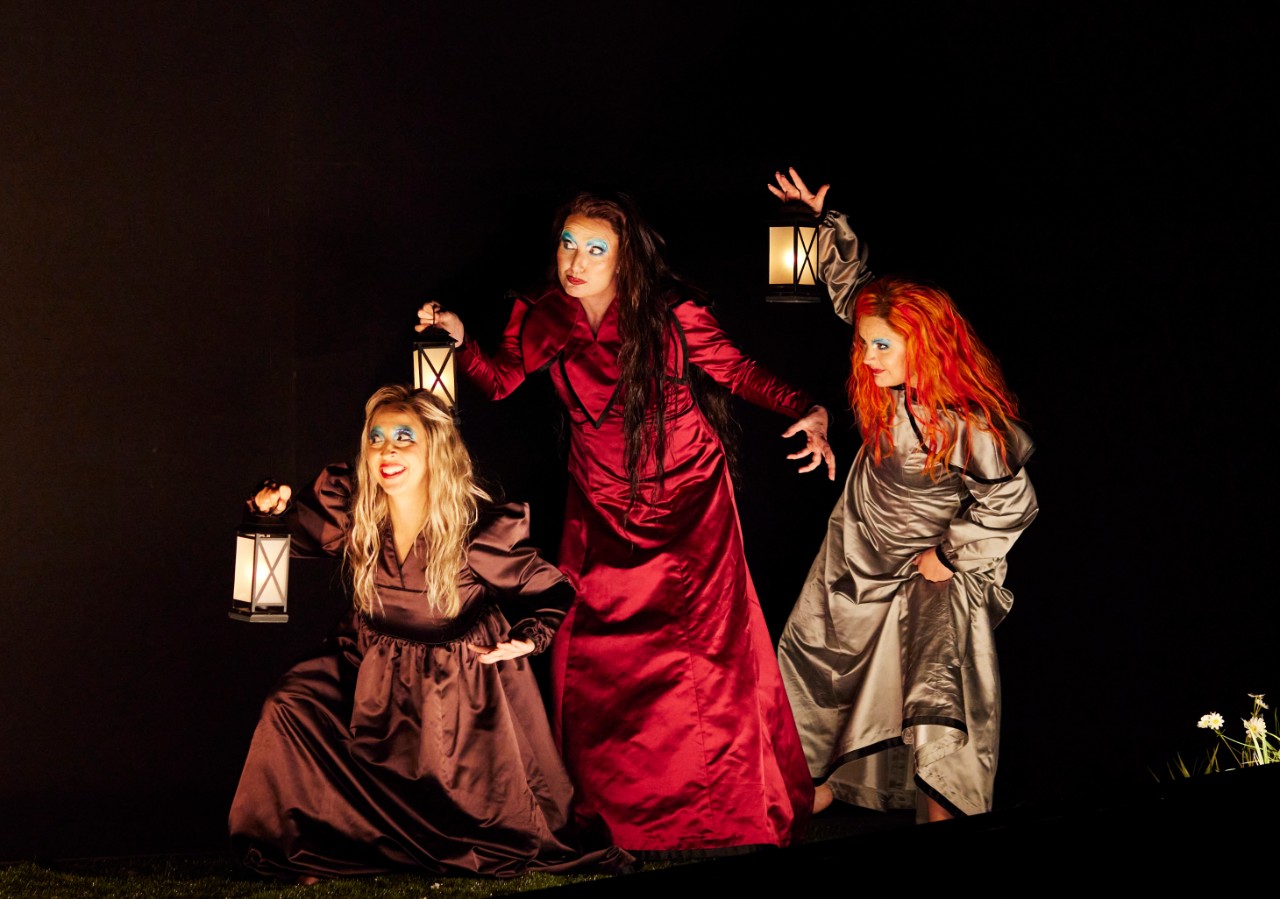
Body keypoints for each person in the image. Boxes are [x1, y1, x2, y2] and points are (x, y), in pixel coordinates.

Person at [415, 190, 830, 857]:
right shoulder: (541, 314)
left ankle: (724, 808)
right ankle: (618, 815)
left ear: (624, 258)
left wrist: (804, 407)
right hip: (601, 500)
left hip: (690, 493)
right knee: (597, 652)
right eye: (568, 245)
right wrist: (461, 341)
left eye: (595, 250)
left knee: (705, 653)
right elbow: (499, 381)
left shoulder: (671, 312)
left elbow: (735, 369)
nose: (576, 263)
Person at [227, 385, 632, 883]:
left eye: (404, 437)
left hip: (453, 687)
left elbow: (551, 589)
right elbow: (292, 536)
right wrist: (270, 511)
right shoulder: (357, 514)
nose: (387, 450)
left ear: (434, 449)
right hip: (368, 667)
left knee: (463, 817)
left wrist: (530, 638)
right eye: (376, 438)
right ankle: (310, 845)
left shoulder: (474, 533)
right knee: (290, 704)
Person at [768, 168, 1039, 824]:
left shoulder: (964, 420)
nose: (867, 357)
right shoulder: (887, 376)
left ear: (928, 346)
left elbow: (1013, 501)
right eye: (865, 343)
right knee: (827, 670)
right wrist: (819, 225)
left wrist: (948, 555)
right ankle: (813, 787)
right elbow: (852, 291)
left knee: (931, 702)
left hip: (926, 572)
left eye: (883, 346)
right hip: (858, 548)